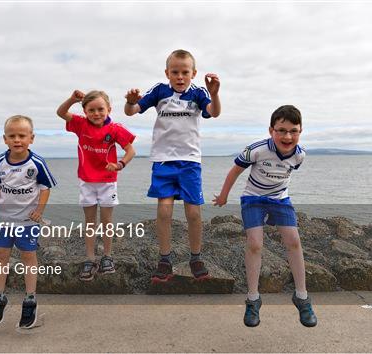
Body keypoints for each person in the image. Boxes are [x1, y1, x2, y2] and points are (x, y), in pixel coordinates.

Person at [213, 105, 317, 327]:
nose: (287, 136)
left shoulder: (300, 155)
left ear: (300, 131)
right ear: (271, 130)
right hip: (253, 199)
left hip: (280, 200)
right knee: (255, 244)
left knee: (294, 242)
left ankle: (302, 297)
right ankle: (253, 299)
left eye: (293, 130)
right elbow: (234, 172)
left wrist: (277, 199)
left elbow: (284, 176)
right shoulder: (256, 150)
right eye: (281, 130)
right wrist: (223, 197)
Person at [124, 49, 221, 282]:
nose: (180, 76)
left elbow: (213, 113)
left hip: (189, 162)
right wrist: (129, 102)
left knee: (194, 212)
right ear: (167, 73)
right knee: (164, 211)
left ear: (193, 73)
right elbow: (131, 112)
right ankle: (164, 259)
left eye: (185, 72)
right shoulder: (159, 91)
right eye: (175, 72)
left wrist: (214, 94)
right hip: (163, 160)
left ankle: (196, 257)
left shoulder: (198, 93)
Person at [0, 115, 56, 329]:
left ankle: (30, 299)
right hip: (4, 222)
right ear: (4, 139)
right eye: (12, 136)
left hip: (27, 222)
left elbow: (45, 188)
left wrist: (39, 210)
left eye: (22, 136)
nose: (17, 140)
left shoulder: (37, 163)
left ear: (31, 138)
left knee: (28, 257)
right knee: (1, 256)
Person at [57, 90, 136, 281]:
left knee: (107, 221)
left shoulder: (115, 128)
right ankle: (90, 259)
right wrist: (72, 100)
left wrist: (119, 165)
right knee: (90, 222)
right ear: (84, 111)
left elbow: (130, 150)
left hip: (108, 182)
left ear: (108, 109)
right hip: (87, 182)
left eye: (101, 109)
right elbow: (61, 113)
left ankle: (107, 257)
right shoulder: (80, 124)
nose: (96, 113)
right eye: (91, 110)